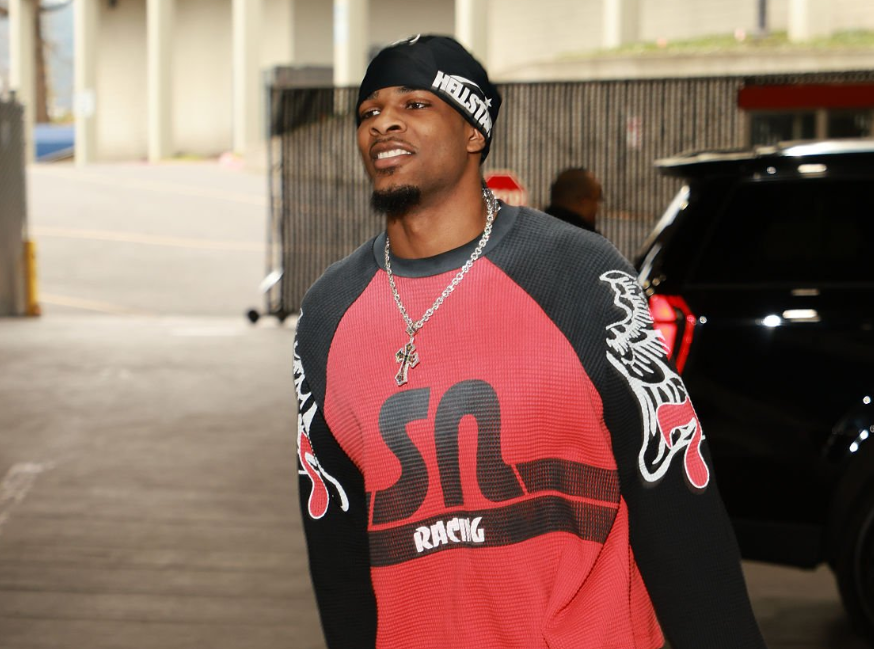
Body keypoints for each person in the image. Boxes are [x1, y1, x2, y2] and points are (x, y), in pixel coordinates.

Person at [293, 34, 767, 649]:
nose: (383, 122)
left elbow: (673, 491)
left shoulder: (580, 275)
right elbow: (334, 535)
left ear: (474, 131)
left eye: (414, 104)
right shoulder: (328, 312)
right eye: (369, 111)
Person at [545, 166, 603, 232]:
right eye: (597, 200)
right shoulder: (588, 237)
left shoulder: (537, 228)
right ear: (584, 201)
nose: (597, 207)